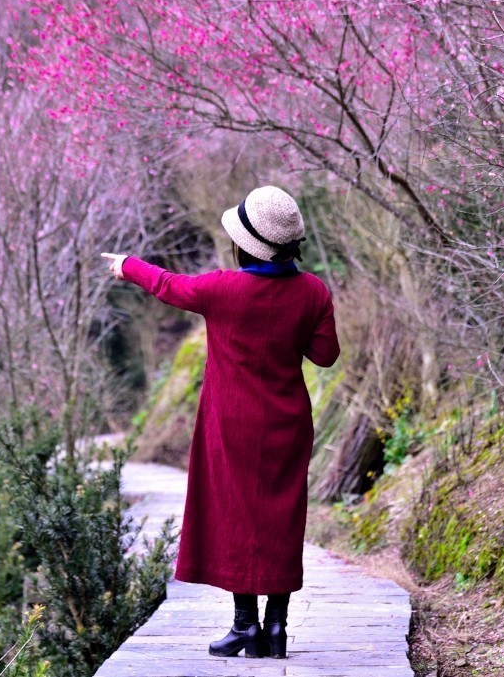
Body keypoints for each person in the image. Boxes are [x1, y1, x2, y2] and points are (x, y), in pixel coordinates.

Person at [101, 184, 340, 660]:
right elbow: (326, 355)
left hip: (231, 426)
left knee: (237, 518)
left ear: (245, 244)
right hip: (288, 426)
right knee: (281, 519)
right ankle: (275, 631)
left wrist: (128, 264)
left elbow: (168, 284)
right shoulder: (313, 291)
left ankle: (244, 627)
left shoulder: (220, 290)